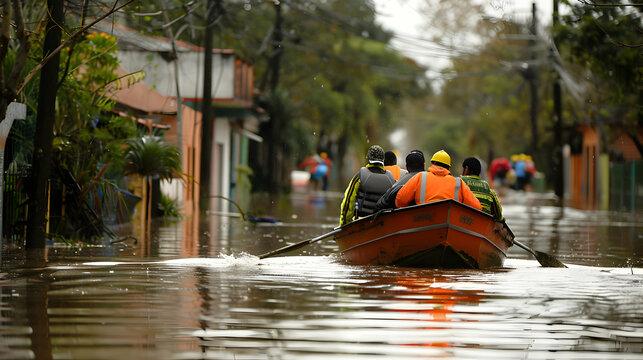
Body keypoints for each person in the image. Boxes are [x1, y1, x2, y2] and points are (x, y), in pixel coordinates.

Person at [395, 150, 481, 210]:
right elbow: (477, 207)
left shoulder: (420, 177)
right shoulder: (459, 182)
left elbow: (400, 201)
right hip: (450, 220)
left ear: (433, 163)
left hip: (422, 221)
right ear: (449, 167)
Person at [339, 145, 396, 226]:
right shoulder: (391, 178)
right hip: (383, 223)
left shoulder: (360, 176)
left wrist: (344, 224)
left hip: (362, 222)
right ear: (383, 159)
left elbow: (348, 202)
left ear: (368, 158)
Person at [461, 157, 504, 221]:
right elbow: (499, 215)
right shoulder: (488, 188)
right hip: (482, 222)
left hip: (463, 219)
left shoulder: (460, 181)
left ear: (466, 169)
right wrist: (502, 220)